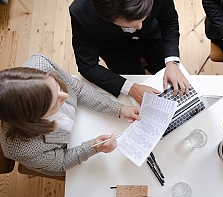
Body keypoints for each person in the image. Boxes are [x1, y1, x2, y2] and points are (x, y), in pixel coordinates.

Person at [0, 54, 141, 176]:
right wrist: (93, 147)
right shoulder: (22, 150)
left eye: (58, 86)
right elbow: (61, 161)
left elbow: (77, 88)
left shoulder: (40, 63)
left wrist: (119, 109)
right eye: (55, 103)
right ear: (34, 118)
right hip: (67, 149)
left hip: (85, 120)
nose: (66, 95)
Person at [69, 0, 190, 104]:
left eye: (142, 18)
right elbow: (88, 67)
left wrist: (172, 62)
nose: (139, 27)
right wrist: (132, 88)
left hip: (153, 37)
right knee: (132, 78)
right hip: (116, 48)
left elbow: (169, 20)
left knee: (165, 76)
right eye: (131, 23)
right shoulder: (81, 13)